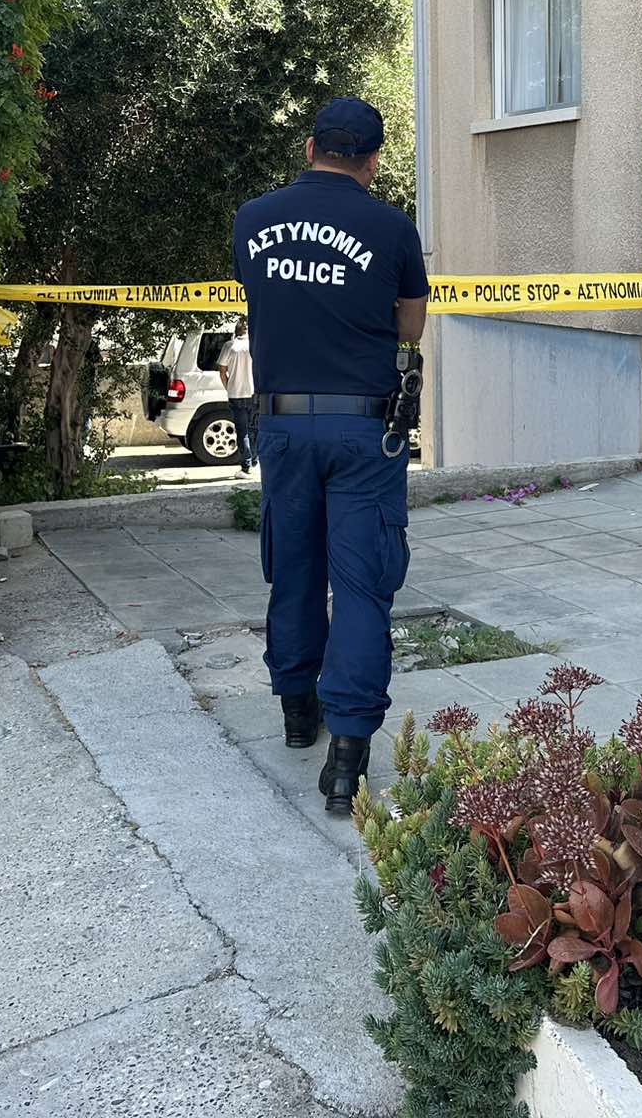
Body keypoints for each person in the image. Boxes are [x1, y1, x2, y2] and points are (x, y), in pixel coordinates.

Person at [231, 96, 428, 814]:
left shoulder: (252, 219)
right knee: (362, 583)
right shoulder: (391, 226)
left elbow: (265, 297)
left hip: (283, 426)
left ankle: (296, 711)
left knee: (294, 569)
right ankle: (346, 759)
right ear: (372, 161)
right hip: (363, 432)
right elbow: (412, 326)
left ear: (310, 146)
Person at [219, 314, 256, 474]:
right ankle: (254, 460)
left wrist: (228, 387)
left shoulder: (229, 345)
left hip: (235, 394)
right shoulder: (255, 345)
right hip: (254, 393)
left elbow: (222, 371)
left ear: (236, 331)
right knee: (254, 429)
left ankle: (246, 466)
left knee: (242, 431)